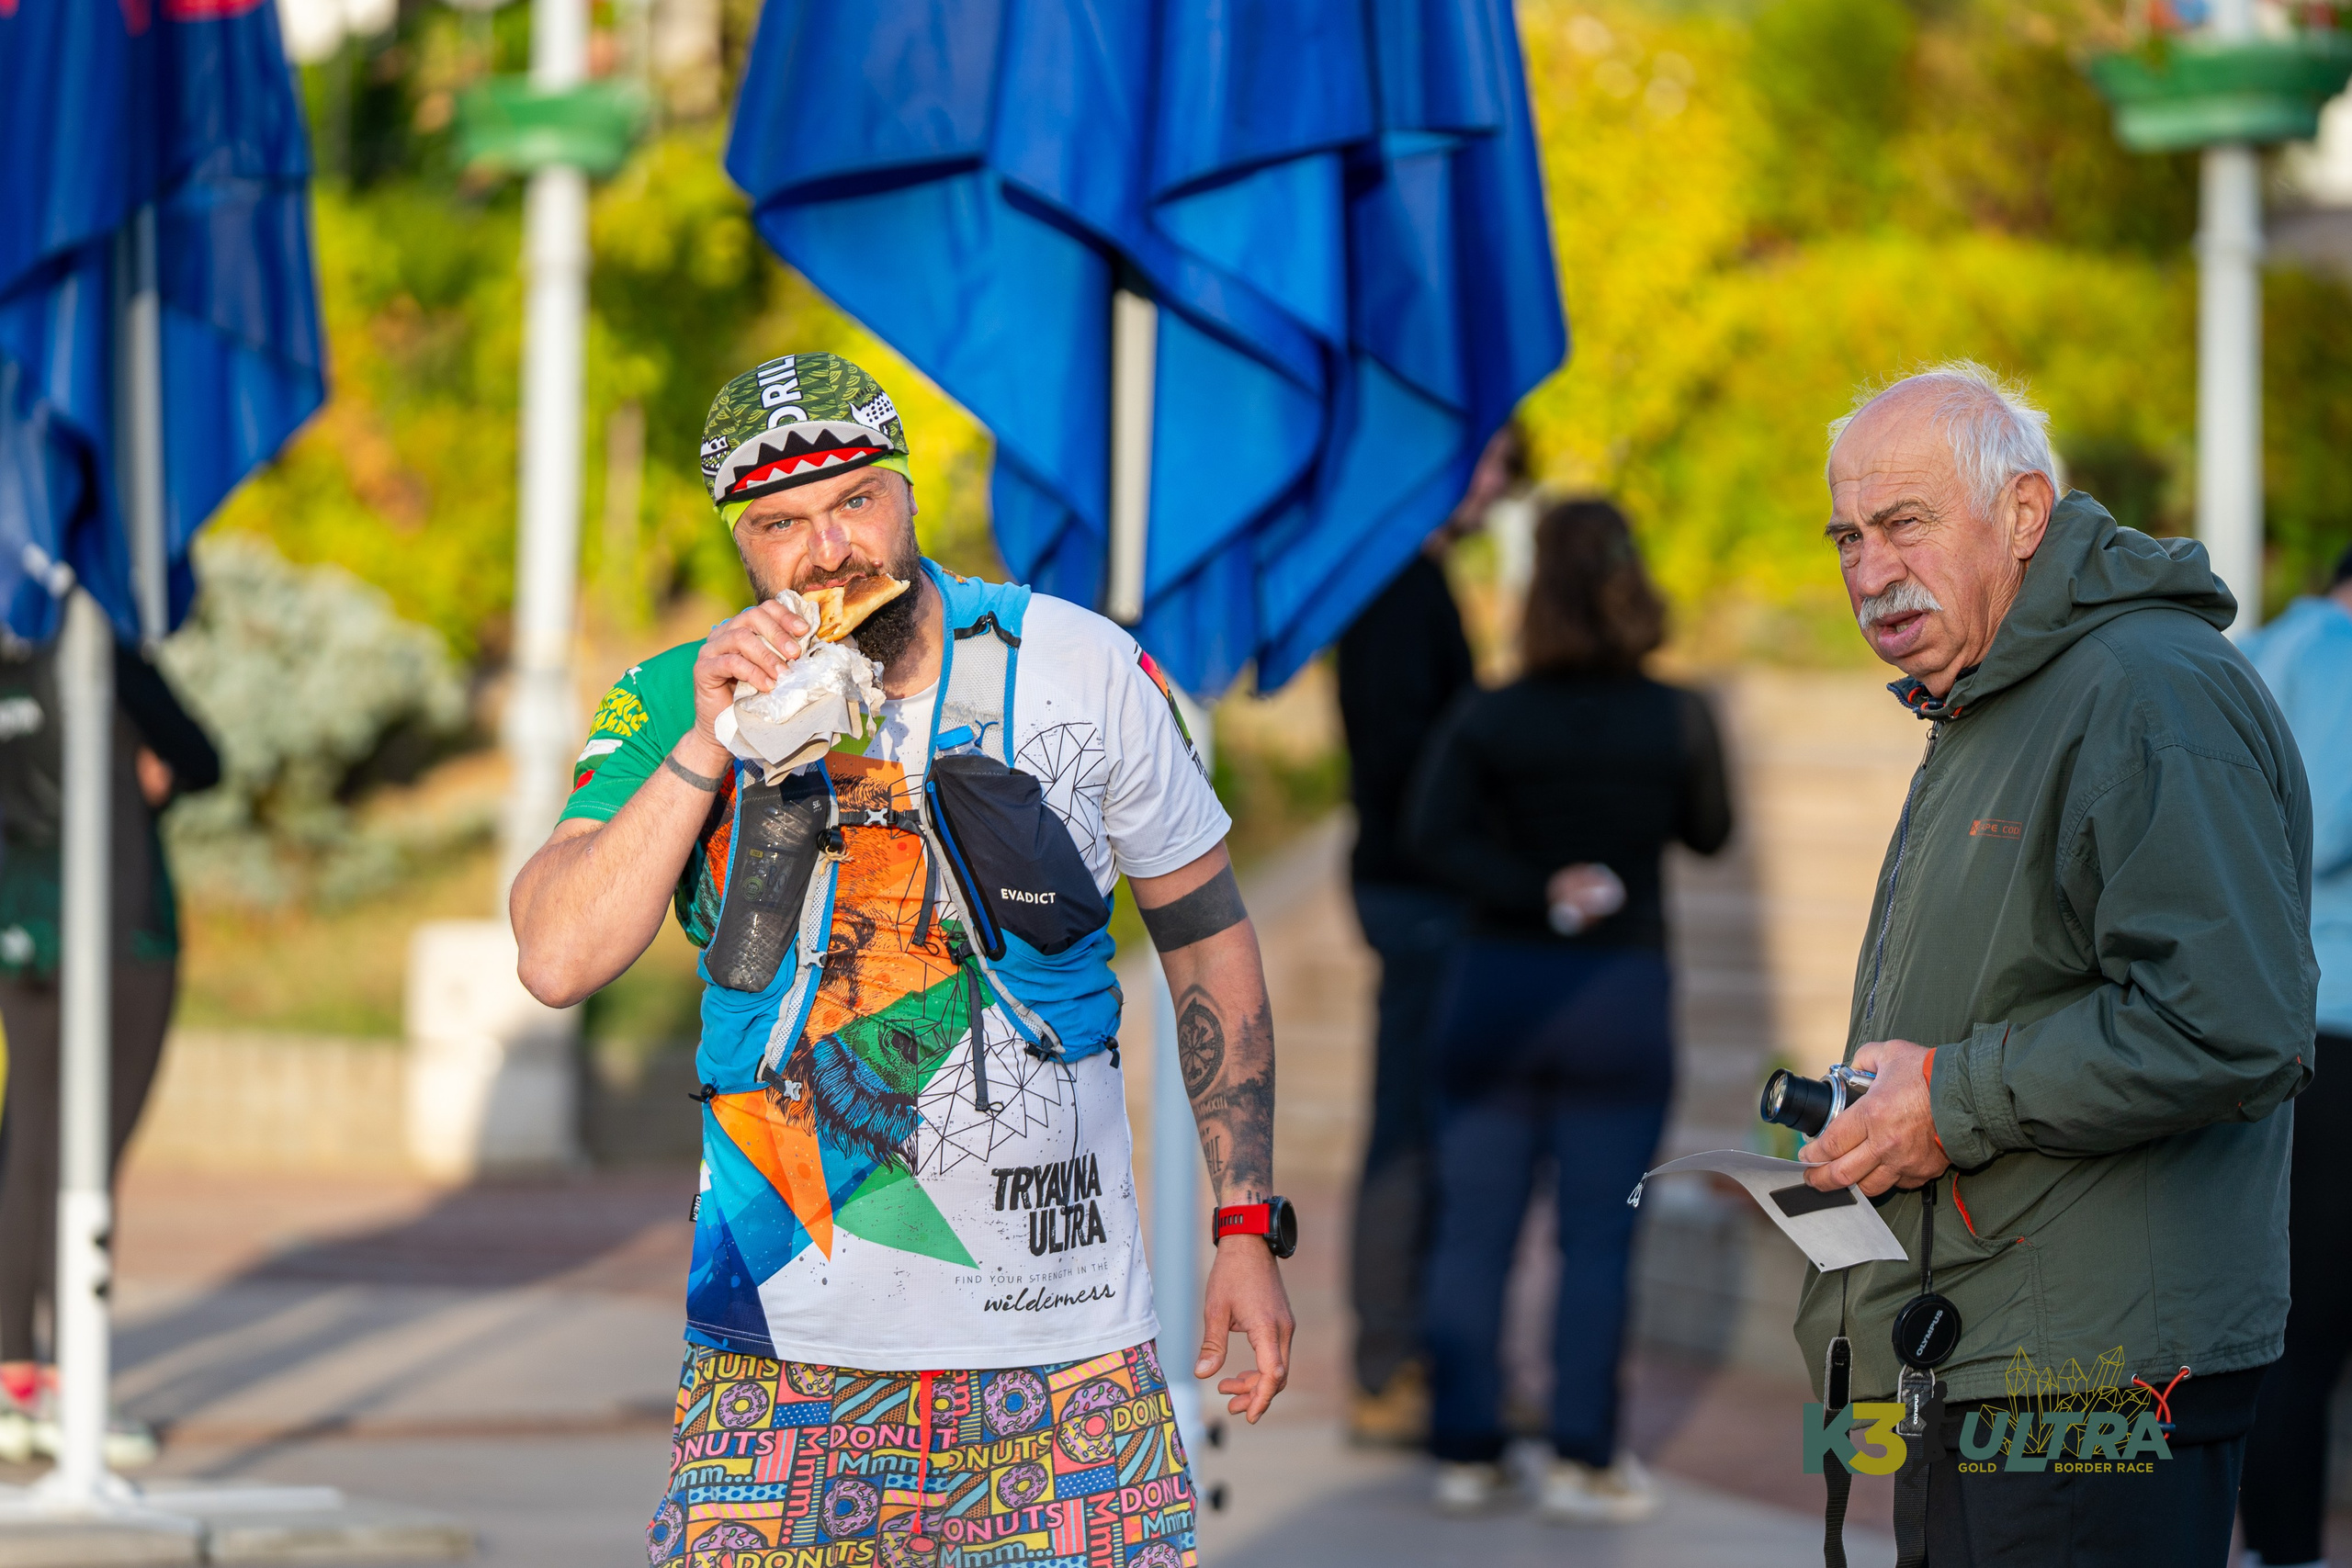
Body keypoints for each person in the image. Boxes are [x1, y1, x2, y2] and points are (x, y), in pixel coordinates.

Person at [510, 353, 1295, 1567]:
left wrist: (1244, 1220)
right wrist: (709, 743)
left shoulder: (1078, 664)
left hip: (1067, 1355)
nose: (829, 550)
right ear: (741, 542)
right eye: (781, 523)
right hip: (780, 1357)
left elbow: (1205, 937)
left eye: (854, 502)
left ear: (907, 492)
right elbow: (557, 956)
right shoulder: (674, 697)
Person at [1795, 362, 2314, 1566]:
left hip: (2093, 1376)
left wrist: (1949, 1100)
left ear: (2024, 513)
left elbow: (2231, 1023)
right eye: (1848, 536)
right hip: (2000, 1346)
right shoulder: (1998, 693)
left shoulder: (2144, 689)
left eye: (1904, 523)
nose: (1870, 571)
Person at [1401, 498, 1731, 1522]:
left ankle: (1468, 1452)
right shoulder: (1678, 714)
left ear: (1534, 589)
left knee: (1475, 1231)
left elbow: (1428, 835)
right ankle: (1585, 1459)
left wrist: (1534, 884)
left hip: (1497, 991)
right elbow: (1710, 830)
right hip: (1618, 998)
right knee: (1600, 1237)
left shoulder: (1491, 714)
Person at [1331, 423, 1520, 1447]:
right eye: (1486, 455)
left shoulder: (1409, 580)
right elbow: (1410, 763)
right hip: (1419, 892)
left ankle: (1440, 1367)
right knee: (1411, 1130)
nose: (1498, 481)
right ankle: (1388, 1368)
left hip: (1425, 888)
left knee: (1438, 1132)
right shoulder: (1397, 586)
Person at [0, 637, 220, 1466]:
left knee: (27, 1145)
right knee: (84, 1161)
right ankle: (71, 1381)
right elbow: (203, 758)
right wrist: (158, 774)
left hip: (21, 922)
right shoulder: (101, 653)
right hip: (119, 928)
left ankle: (13, 1378)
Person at [2237, 542, 2352, 1568]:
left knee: (2284, 1320)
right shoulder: (2339, 657)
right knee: (2305, 1332)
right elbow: (2313, 827)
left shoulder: (2262, 647)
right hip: (2334, 1029)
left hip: (2272, 1019)